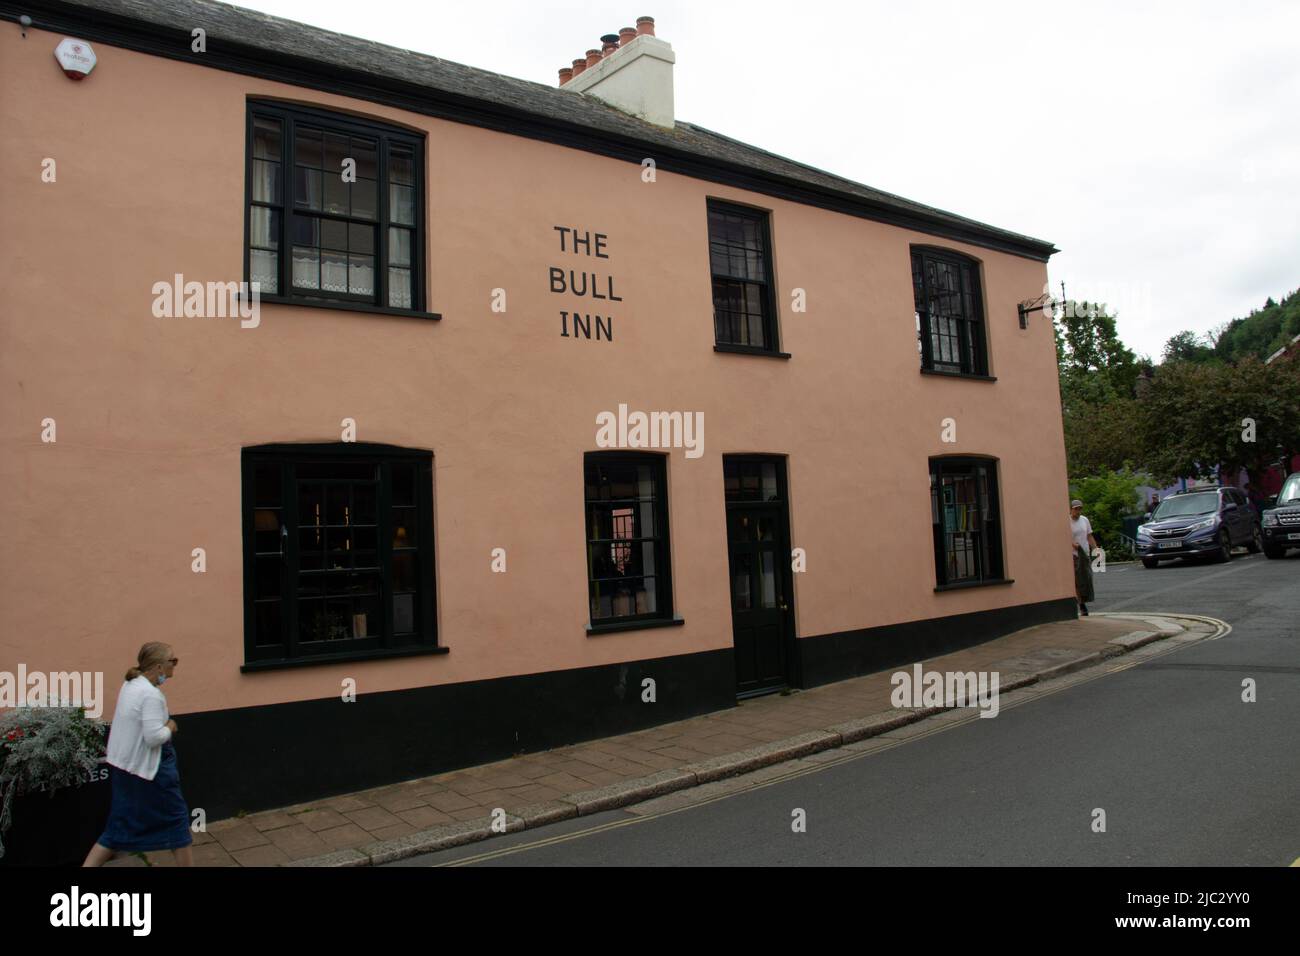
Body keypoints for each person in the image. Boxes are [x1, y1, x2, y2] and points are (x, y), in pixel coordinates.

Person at [82, 643, 192, 866]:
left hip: (125, 767)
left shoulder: (131, 685)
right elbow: (153, 738)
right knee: (177, 823)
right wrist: (170, 726)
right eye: (173, 661)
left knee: (117, 828)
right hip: (150, 772)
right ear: (159, 666)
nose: (175, 665)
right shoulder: (150, 695)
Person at [1070, 499, 1099, 616]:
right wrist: (1072, 543)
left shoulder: (1084, 520)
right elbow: (1064, 536)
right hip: (1074, 554)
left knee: (1086, 578)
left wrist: (1096, 549)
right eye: (1076, 508)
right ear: (1071, 509)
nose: (1078, 511)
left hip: (1085, 553)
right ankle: (1082, 605)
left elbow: (1089, 536)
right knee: (1078, 580)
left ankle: (1084, 599)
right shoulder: (1067, 521)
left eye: (1080, 508)